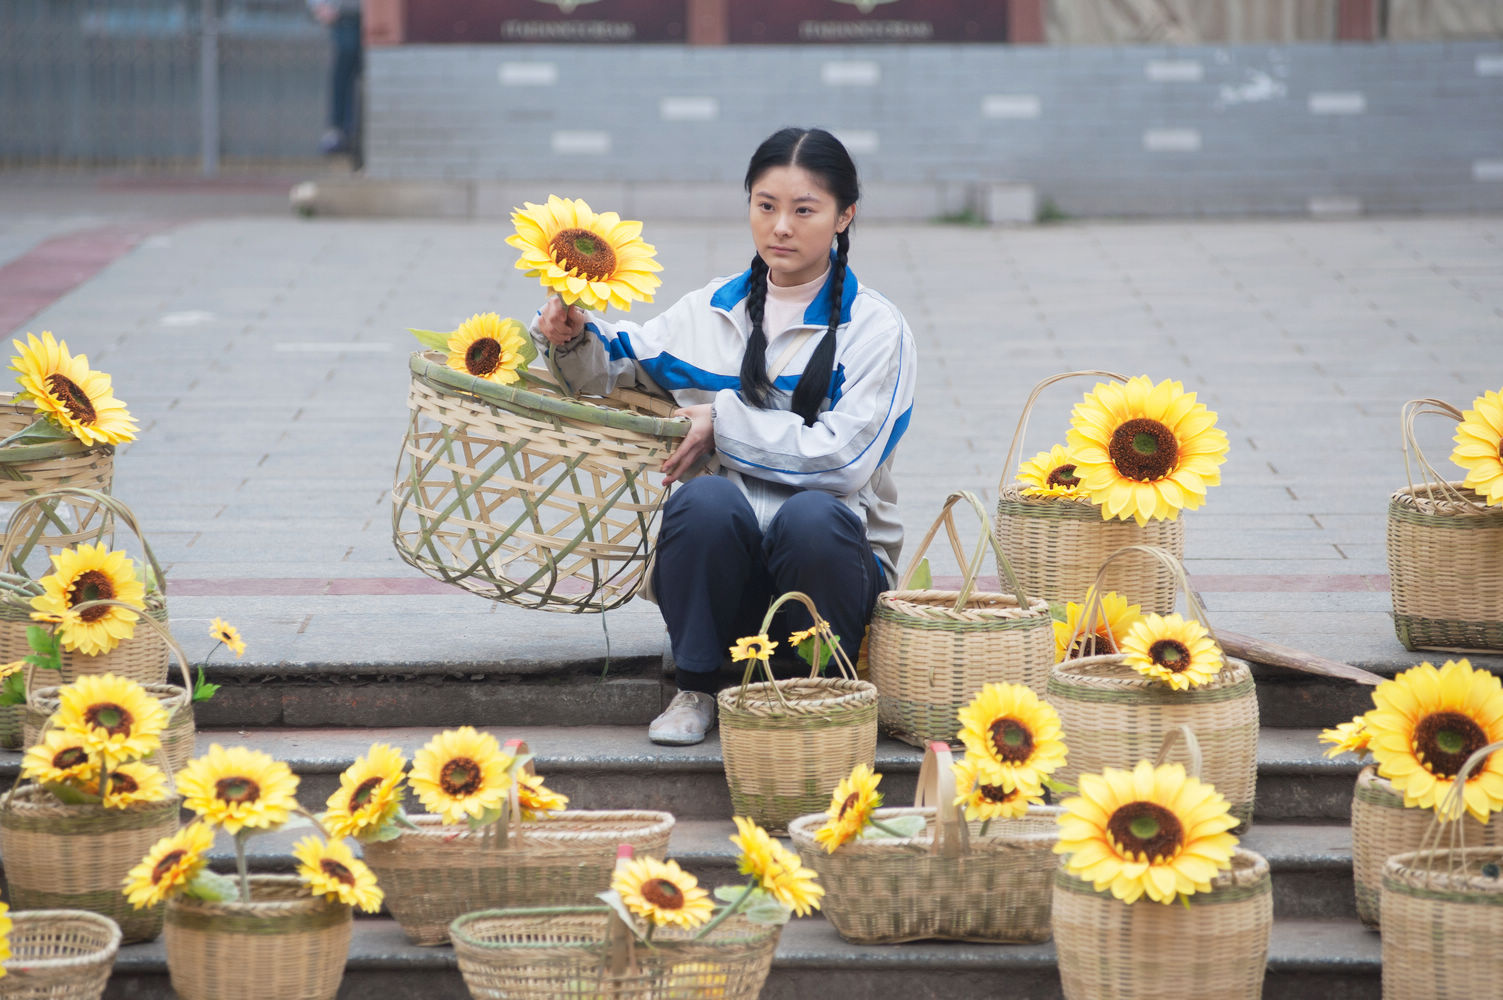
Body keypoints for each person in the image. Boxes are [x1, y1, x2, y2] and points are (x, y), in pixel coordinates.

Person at [532, 127, 917, 746]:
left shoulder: (876, 330)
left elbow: (844, 462)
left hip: (831, 582)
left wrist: (721, 422)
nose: (780, 228)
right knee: (702, 502)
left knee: (813, 518)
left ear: (845, 216)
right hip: (722, 581)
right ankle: (698, 686)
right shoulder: (710, 310)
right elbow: (612, 368)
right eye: (765, 206)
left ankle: (827, 688)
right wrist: (569, 334)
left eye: (804, 210)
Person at [308, 0, 362, 155]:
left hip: (377, 16)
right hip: (344, 16)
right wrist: (318, 5)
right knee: (344, 64)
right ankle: (339, 131)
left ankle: (358, 131)